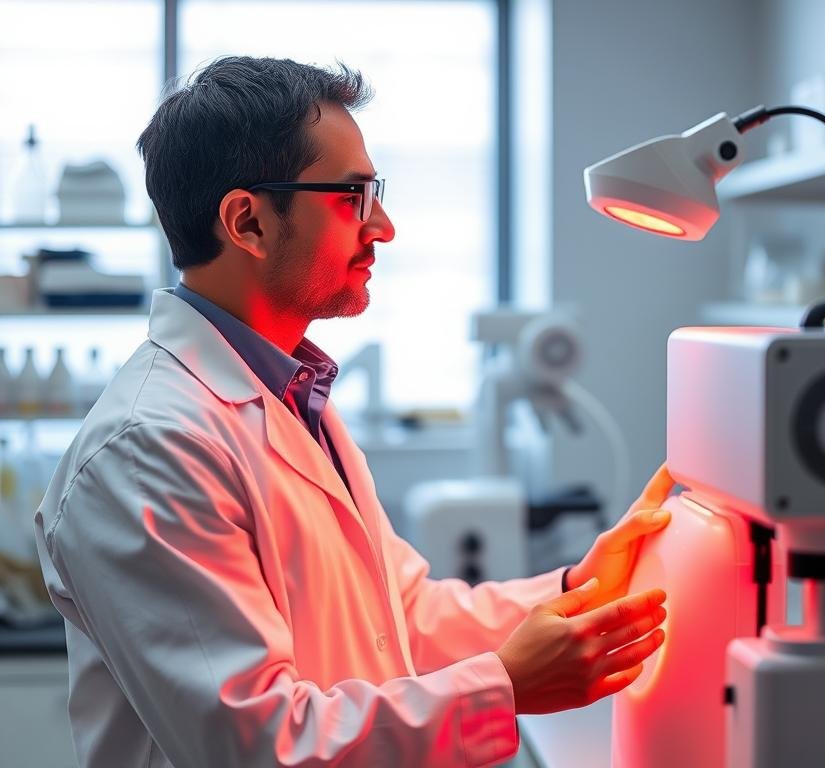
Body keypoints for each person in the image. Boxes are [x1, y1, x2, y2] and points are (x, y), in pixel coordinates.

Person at [34, 56, 674, 768]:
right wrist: (504, 686)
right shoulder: (145, 450)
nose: (386, 227)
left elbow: (401, 620)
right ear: (247, 221)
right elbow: (253, 744)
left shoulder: (291, 394)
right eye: (354, 197)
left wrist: (578, 591)